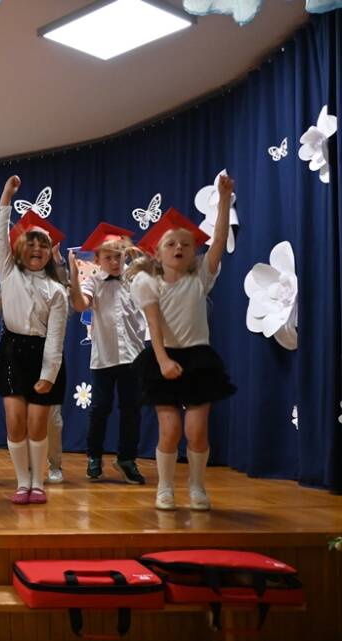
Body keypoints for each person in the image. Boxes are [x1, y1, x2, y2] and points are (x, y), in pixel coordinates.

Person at [128, 174, 237, 511]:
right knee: (170, 430)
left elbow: (219, 240)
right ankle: (165, 486)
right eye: (171, 244)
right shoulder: (147, 282)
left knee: (197, 430)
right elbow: (153, 324)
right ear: (157, 252)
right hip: (163, 356)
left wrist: (224, 200)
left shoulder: (201, 276)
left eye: (186, 245)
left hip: (198, 358)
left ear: (193, 253)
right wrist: (162, 360)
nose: (179, 248)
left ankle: (197, 486)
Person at [0, 177, 68, 505]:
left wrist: (49, 374)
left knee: (38, 424)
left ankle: (38, 482)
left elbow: (56, 338)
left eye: (43, 245)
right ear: (19, 249)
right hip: (12, 352)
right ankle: (23, 482)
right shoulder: (9, 273)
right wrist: (6, 195)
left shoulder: (57, 291)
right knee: (15, 422)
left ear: (50, 252)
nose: (37, 249)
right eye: (31, 243)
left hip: (42, 356)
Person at [68, 223, 147, 485]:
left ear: (125, 256)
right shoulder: (92, 281)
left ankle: (127, 459)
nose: (114, 262)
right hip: (104, 358)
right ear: (98, 259)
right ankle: (94, 456)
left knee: (131, 410)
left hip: (134, 357)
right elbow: (80, 304)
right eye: (108, 257)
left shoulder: (135, 279)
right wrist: (73, 277)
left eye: (118, 256)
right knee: (100, 408)